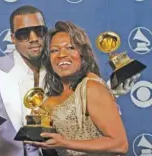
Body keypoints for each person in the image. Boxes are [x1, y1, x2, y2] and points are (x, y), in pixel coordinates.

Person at [0, 5, 138, 156]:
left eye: (39, 31)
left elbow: (80, 109)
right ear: (12, 38)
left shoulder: (60, 70)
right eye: (24, 33)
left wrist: (108, 93)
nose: (33, 39)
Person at [25, 21, 130, 156]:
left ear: (82, 54)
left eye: (70, 48)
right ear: (49, 59)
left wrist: (65, 143)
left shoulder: (91, 87)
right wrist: (40, 137)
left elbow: (120, 144)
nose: (62, 54)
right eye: (54, 50)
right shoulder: (49, 102)